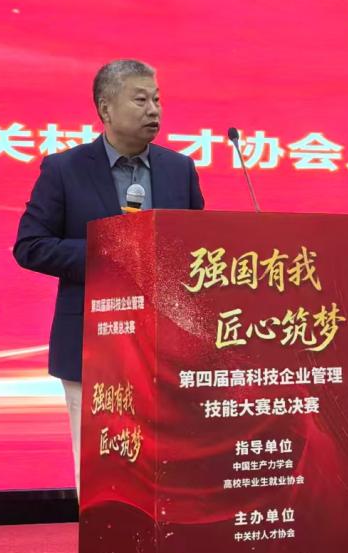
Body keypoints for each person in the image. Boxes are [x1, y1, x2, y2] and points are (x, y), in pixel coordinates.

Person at [13, 59, 205, 490]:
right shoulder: (64, 169)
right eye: (140, 100)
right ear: (106, 107)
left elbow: (198, 250)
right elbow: (30, 246)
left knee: (167, 466)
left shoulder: (180, 169)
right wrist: (111, 252)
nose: (153, 109)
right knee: (101, 470)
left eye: (157, 99)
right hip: (91, 344)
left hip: (166, 347)